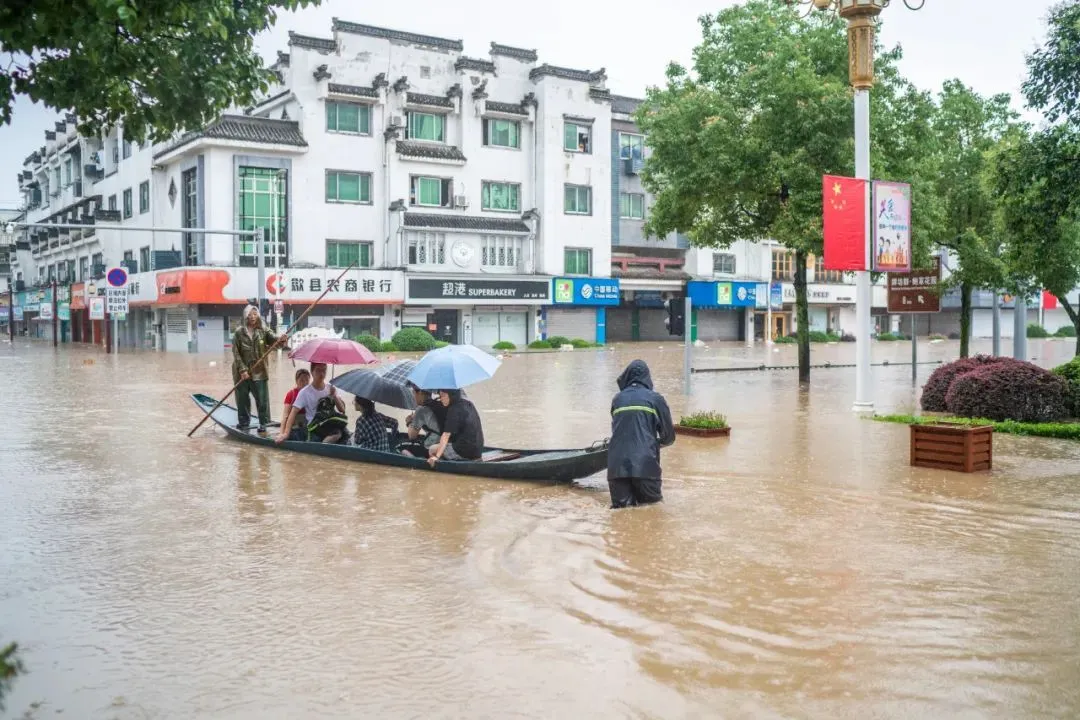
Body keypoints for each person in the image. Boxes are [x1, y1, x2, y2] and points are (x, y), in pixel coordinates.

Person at [607, 359, 675, 509]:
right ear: (647, 377)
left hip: (616, 468)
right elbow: (669, 437)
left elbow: (619, 428)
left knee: (621, 516)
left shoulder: (617, 399)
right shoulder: (655, 399)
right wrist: (656, 443)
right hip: (646, 467)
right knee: (652, 512)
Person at [232, 304, 287, 433]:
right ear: (245, 316)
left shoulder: (263, 330)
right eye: (250, 314)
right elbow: (236, 353)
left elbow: (275, 342)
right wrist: (243, 370)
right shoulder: (239, 332)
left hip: (259, 371)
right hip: (242, 373)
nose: (252, 317)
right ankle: (244, 422)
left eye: (255, 314)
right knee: (242, 399)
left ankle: (263, 423)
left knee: (262, 400)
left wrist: (281, 340)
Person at [275, 362, 346, 444]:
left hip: (328, 423)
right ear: (312, 372)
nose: (321, 374)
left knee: (342, 431)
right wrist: (285, 434)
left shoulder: (330, 388)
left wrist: (334, 396)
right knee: (336, 433)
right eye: (318, 370)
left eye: (324, 370)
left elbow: (342, 409)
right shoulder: (305, 392)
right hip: (314, 426)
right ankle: (324, 447)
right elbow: (292, 413)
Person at [427, 389, 484, 465]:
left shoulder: (454, 409)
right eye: (440, 396)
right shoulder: (469, 404)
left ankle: (441, 467)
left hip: (464, 451)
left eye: (443, 395)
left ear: (451, 395)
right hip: (478, 451)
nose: (441, 398)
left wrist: (436, 457)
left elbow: (446, 435)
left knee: (432, 449)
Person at [399, 382, 446, 457]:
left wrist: (409, 422)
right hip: (445, 446)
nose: (414, 397)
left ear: (420, 392)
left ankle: (416, 463)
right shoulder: (440, 404)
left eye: (414, 393)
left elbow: (412, 436)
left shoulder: (421, 410)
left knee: (401, 448)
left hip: (431, 448)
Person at [282, 368, 311, 441]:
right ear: (296, 381)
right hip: (295, 429)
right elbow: (285, 415)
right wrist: (282, 433)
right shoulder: (291, 394)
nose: (304, 383)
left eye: (307, 380)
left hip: (309, 428)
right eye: (301, 380)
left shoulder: (311, 394)